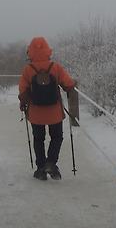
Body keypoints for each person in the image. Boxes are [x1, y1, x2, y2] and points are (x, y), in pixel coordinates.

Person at [18, 36, 75, 180]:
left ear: (30, 52)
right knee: (56, 137)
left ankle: (41, 169)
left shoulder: (28, 70)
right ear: (48, 50)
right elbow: (68, 85)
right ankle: (51, 163)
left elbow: (23, 93)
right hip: (54, 112)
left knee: (38, 139)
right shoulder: (55, 67)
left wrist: (24, 101)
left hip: (36, 113)